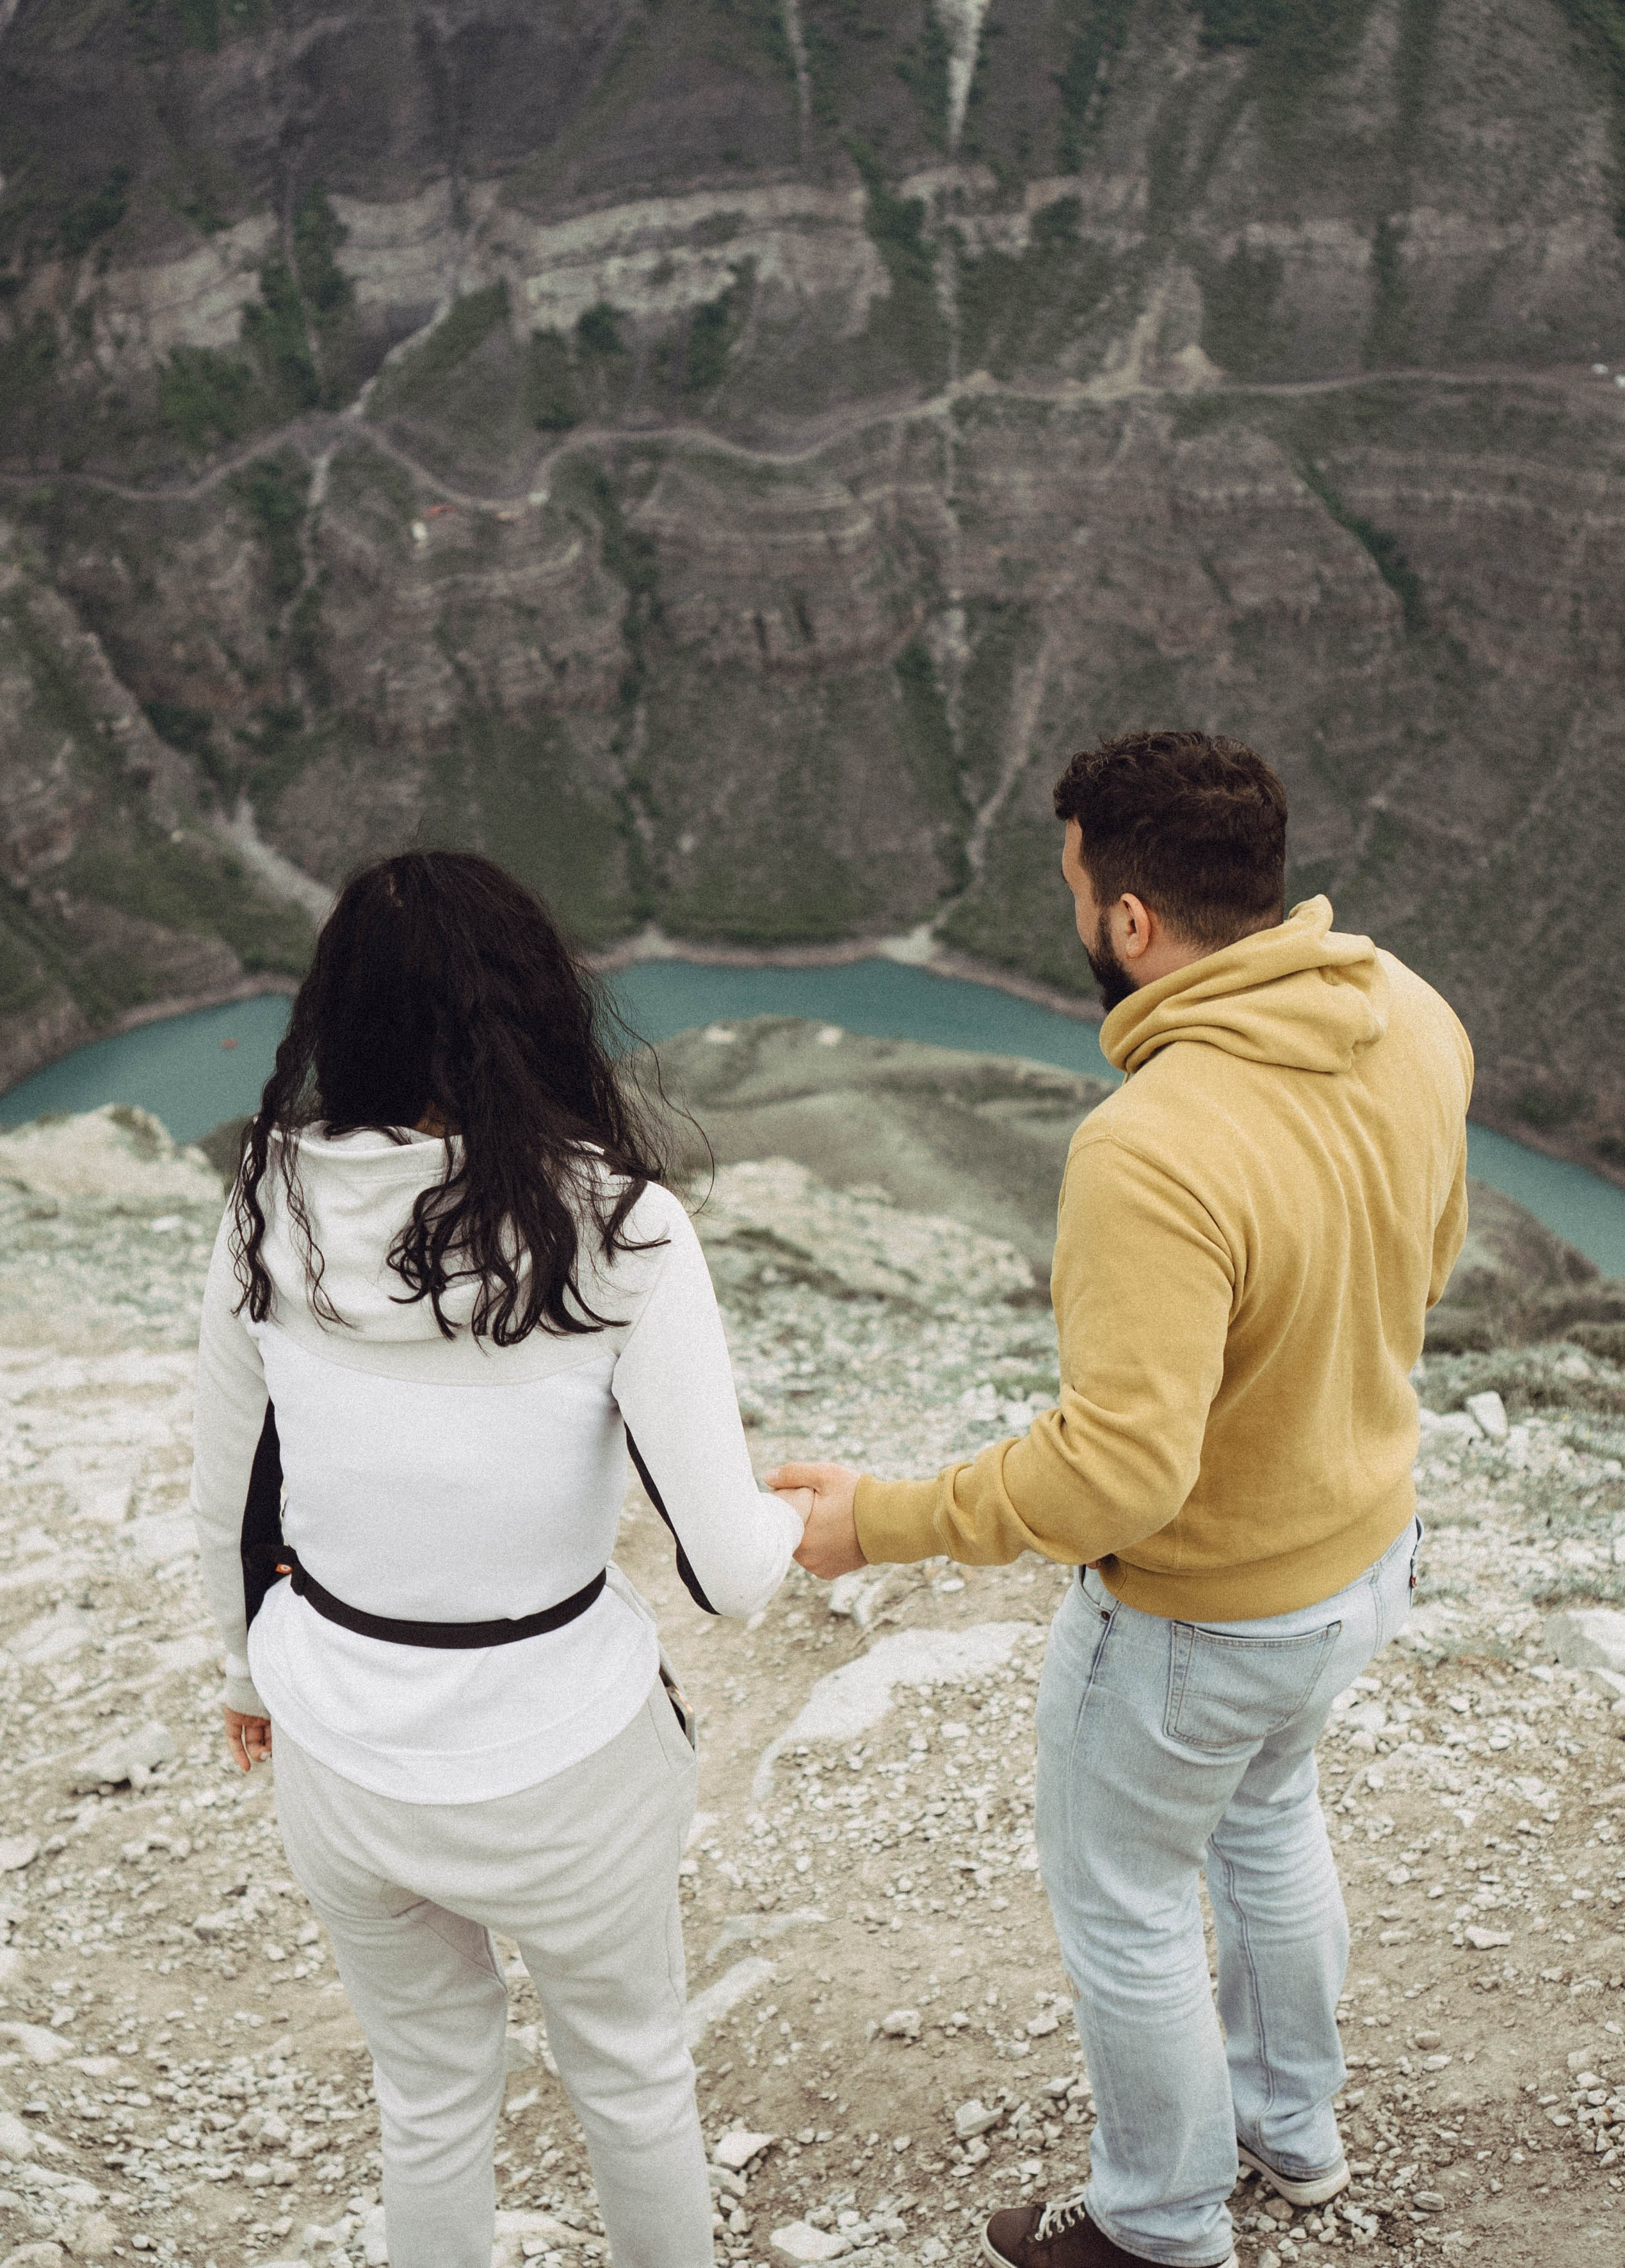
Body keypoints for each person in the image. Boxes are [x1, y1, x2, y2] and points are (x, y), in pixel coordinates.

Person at [771, 731, 1472, 2268]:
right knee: (1268, 1823)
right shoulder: (1411, 1014)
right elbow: (1422, 1270)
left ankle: (1157, 2226)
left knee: (1127, 1905)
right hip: (1362, 1557)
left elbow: (1115, 1473)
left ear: (1131, 922)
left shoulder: (1149, 1145)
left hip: (1199, 1619)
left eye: (1075, 888)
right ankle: (1292, 2136)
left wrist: (875, 1520)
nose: (1072, 913)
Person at [190, 852, 812, 2268]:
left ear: (342, 1022)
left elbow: (226, 1498)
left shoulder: (264, 1206)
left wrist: (244, 1675)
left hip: (340, 1745)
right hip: (567, 1759)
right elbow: (730, 1571)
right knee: (634, 2087)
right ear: (537, 1011)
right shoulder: (623, 1228)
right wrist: (795, 1514)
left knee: (426, 2101)